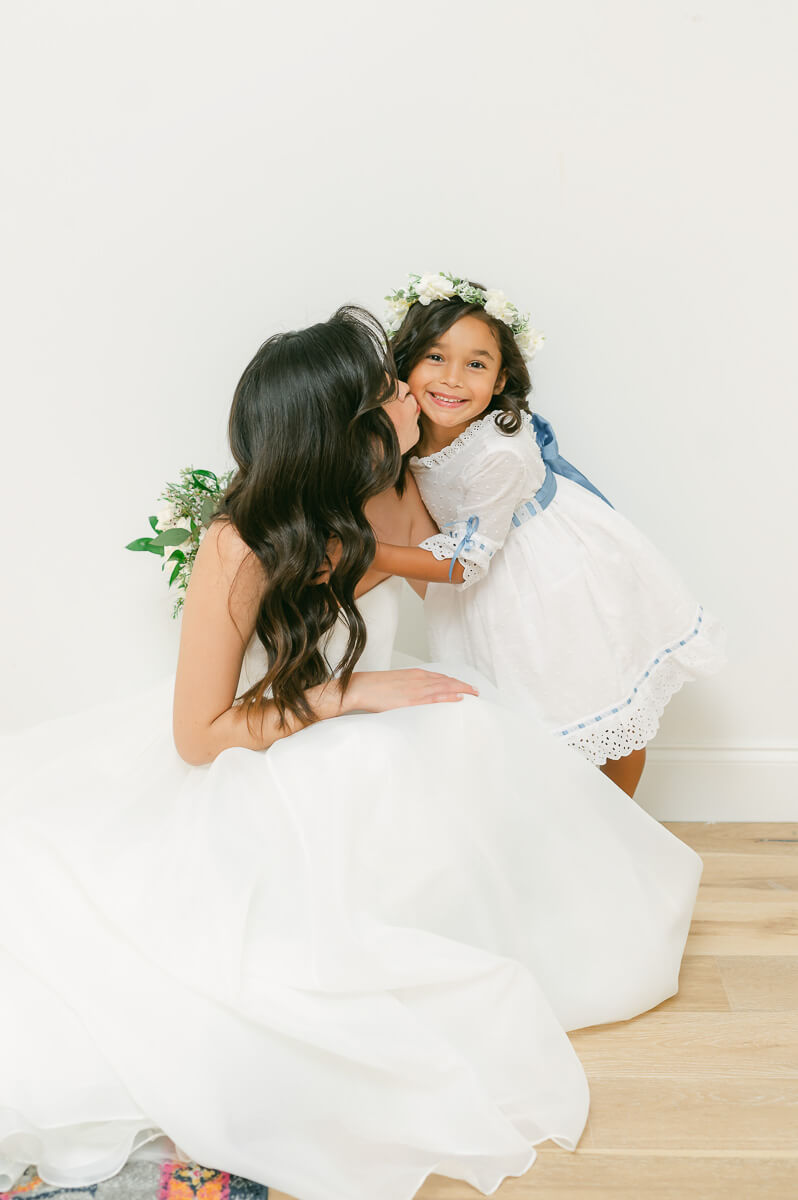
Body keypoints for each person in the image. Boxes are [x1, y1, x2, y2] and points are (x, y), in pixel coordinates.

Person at [0, 307, 702, 1200]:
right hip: (265, 741)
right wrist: (350, 692)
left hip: (378, 715)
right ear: (346, 427)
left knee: (471, 757)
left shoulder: (399, 487)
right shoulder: (239, 543)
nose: (408, 389)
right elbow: (198, 733)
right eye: (387, 388)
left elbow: (464, 558)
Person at [375, 273, 726, 797]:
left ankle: (620, 823)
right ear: (405, 365)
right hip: (486, 578)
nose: (452, 378)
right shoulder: (403, 428)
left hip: (548, 577)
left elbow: (462, 563)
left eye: (476, 364)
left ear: (498, 382)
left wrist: (367, 554)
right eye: (435, 357)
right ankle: (550, 829)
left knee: (591, 698)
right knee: (516, 720)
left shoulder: (500, 451)